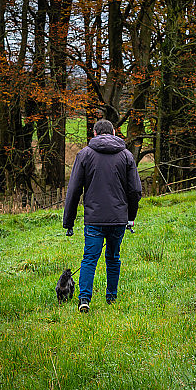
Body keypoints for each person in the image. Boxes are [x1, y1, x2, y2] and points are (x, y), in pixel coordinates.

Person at [63, 119, 142, 312]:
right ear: (114, 132)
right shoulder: (126, 156)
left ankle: (84, 299)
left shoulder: (84, 155)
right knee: (113, 257)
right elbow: (135, 190)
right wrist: (130, 217)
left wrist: (69, 222)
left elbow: (73, 190)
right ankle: (111, 297)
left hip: (94, 218)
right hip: (118, 218)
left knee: (89, 258)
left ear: (95, 133)